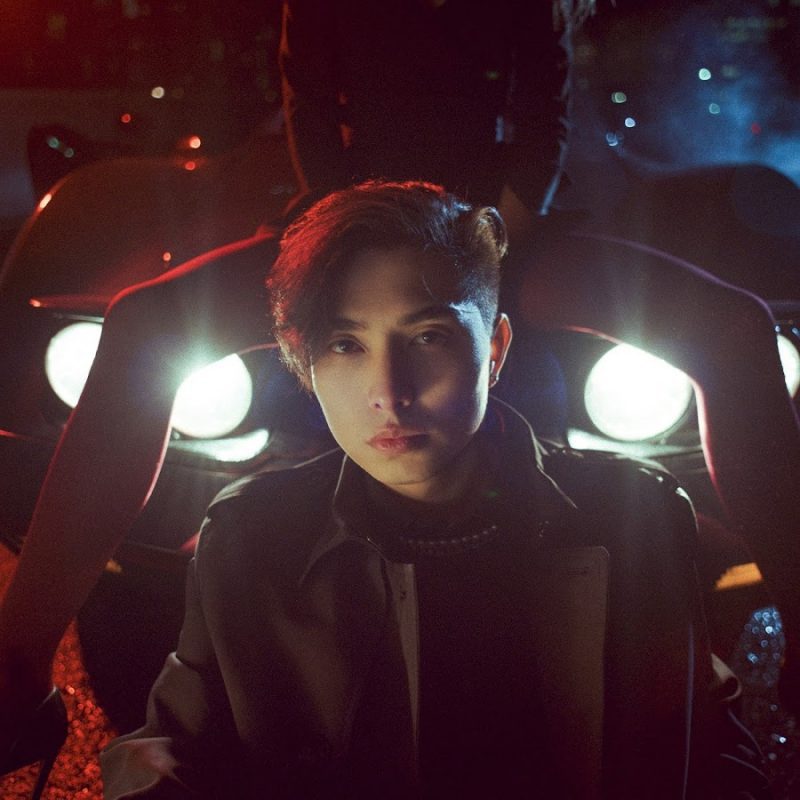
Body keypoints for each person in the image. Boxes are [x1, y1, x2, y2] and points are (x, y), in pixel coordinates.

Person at [100, 181, 769, 799]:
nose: (390, 394)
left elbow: (711, 751)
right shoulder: (249, 533)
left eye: (428, 336)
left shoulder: (636, 516)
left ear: (495, 350)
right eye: (345, 344)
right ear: (305, 360)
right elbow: (172, 744)